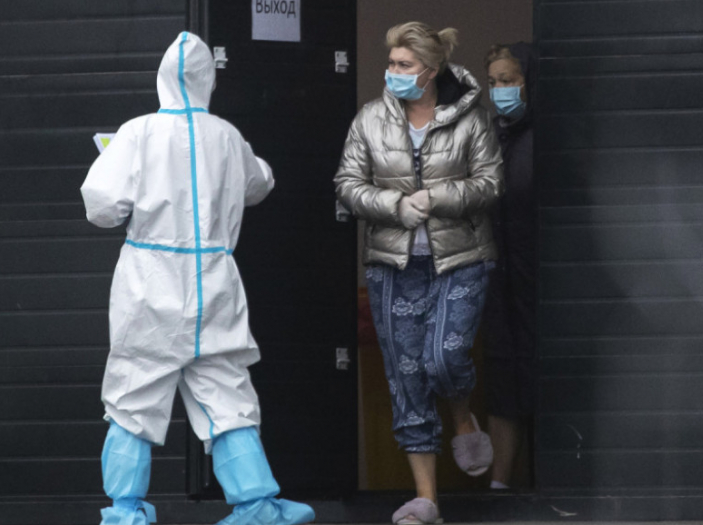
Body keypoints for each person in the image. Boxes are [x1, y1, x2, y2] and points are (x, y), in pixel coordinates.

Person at [81, 32, 315, 525]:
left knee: (133, 394)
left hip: (150, 282)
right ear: (209, 79)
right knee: (226, 390)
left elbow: (101, 207)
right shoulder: (227, 135)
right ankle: (257, 505)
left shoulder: (137, 132)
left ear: (162, 77)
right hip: (214, 281)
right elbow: (260, 183)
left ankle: (125, 512)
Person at [334, 21, 504, 525]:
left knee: (444, 359)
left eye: (404, 65)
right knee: (406, 377)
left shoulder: (471, 118)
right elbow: (347, 182)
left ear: (431, 70)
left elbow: (491, 182)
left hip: (461, 258)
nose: (393, 72)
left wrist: (437, 198)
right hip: (393, 264)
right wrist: (394, 206)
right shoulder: (370, 119)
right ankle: (426, 499)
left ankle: (462, 416)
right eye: (391, 64)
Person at [482, 42, 538, 491]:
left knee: (543, 377)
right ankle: (499, 487)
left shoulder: (548, 137)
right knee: (502, 379)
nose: (499, 90)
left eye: (509, 80)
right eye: (493, 81)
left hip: (538, 282)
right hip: (498, 282)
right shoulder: (489, 137)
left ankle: (550, 486)